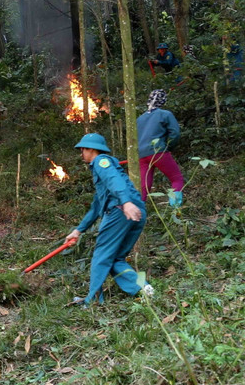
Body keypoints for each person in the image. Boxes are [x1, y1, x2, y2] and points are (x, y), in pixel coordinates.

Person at [64, 134, 152, 305]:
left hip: (121, 211)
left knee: (101, 256)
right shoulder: (102, 174)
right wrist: (78, 230)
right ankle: (144, 289)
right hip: (134, 211)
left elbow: (114, 179)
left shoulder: (101, 161)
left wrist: (125, 202)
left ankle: (93, 300)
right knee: (115, 258)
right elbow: (97, 206)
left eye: (83, 149)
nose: (81, 153)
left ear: (90, 149)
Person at [137, 89, 184, 206]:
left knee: (144, 186)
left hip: (141, 155)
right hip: (158, 151)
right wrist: (169, 146)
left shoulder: (139, 119)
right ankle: (175, 208)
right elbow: (175, 133)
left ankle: (138, 213)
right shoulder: (165, 114)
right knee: (176, 178)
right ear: (163, 101)